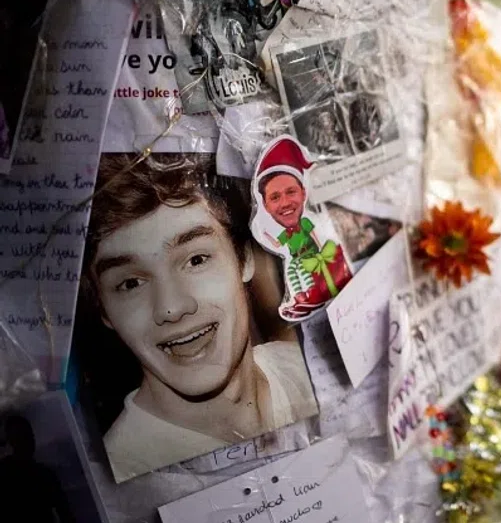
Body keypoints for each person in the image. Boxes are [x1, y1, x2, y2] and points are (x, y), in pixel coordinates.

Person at [82, 153, 319, 482]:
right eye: (131, 283)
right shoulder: (117, 480)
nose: (172, 307)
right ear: (104, 310)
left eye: (195, 260)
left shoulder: (311, 374)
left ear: (245, 259)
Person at [254, 137, 352, 321]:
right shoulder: (284, 234)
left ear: (304, 192)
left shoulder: (308, 222)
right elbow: (277, 243)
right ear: (265, 206)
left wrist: (321, 253)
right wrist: (265, 233)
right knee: (292, 270)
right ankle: (300, 296)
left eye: (291, 192)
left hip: (312, 256)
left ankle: (312, 294)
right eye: (275, 197)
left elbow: (315, 235)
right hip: (297, 258)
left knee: (307, 271)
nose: (285, 203)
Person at [0, 414, 75, 523]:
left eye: (29, 436)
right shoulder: (4, 472)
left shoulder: (46, 475)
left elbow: (65, 513)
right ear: (12, 441)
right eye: (20, 438)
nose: (27, 441)